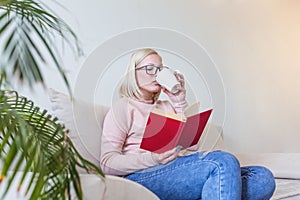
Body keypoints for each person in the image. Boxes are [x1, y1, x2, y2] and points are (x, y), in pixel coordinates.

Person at [100, 48, 276, 200]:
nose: (156, 74)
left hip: (178, 172)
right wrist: (153, 158)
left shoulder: (167, 106)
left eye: (160, 70)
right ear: (133, 74)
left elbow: (191, 148)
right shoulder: (123, 107)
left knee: (262, 177)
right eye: (149, 69)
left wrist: (179, 101)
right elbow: (107, 163)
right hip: (142, 176)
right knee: (223, 161)